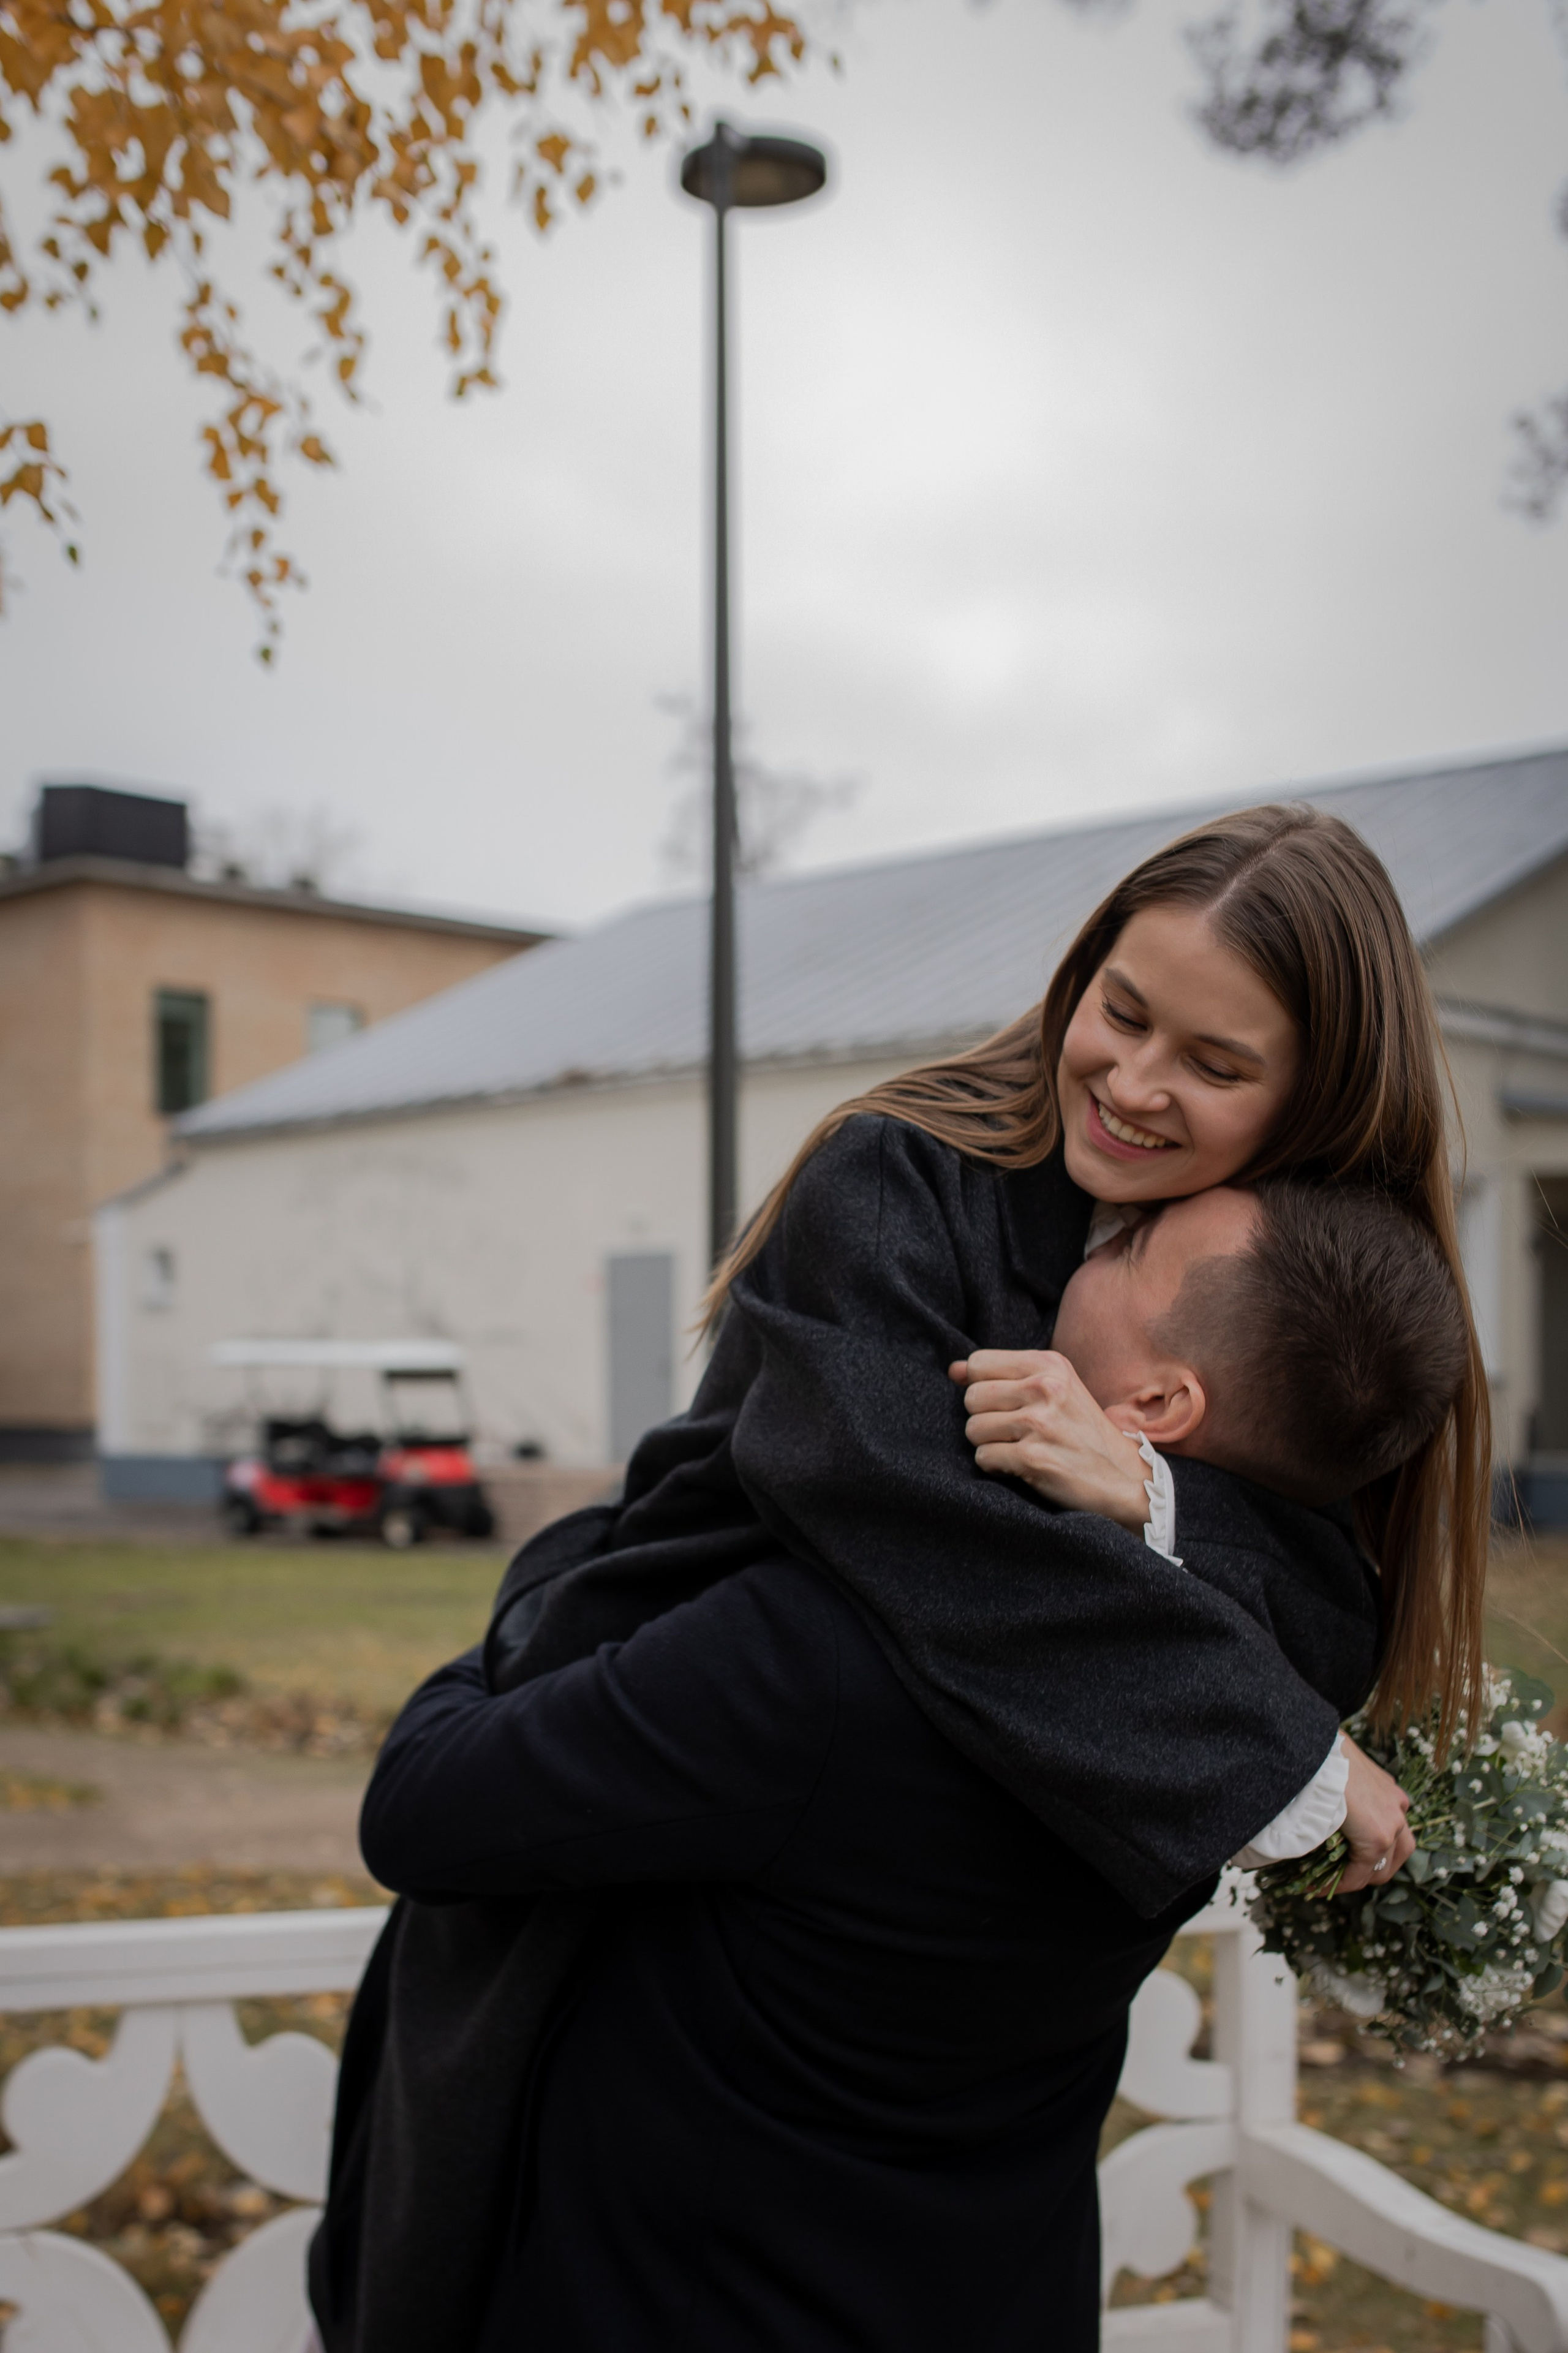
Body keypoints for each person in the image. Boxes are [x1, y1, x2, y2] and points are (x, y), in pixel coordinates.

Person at [311, 804, 1490, 2353]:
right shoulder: (905, 1175)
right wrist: (1260, 1742)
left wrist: (1147, 1496)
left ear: (1309, 1097)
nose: (1132, 1085)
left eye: (1213, 1065)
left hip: (890, 2009)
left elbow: (1331, 1597)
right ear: (1079, 974)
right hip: (623, 1717)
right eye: (1120, 1013)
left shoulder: (1276, 1271)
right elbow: (892, 1503)